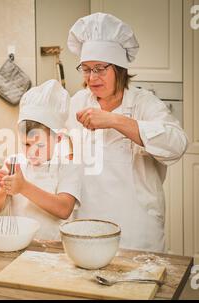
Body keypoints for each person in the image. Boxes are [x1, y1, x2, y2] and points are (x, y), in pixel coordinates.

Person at [66, 12, 188, 252]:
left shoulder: (144, 103)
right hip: (87, 227)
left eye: (100, 69)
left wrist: (114, 120)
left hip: (137, 230)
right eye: (86, 69)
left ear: (119, 69)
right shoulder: (77, 102)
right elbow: (64, 156)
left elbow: (177, 144)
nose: (92, 77)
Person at [0, 79, 81, 240]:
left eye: (40, 145)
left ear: (58, 138)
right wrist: (4, 189)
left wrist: (23, 187)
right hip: (16, 243)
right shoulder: (14, 163)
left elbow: (64, 209)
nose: (32, 152)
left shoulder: (68, 167)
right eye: (26, 144)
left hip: (53, 250)